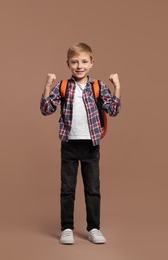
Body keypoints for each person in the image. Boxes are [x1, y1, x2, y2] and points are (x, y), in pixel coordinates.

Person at [40, 42, 122, 245]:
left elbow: (113, 110)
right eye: (74, 62)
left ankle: (94, 228)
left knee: (92, 189)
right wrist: (48, 86)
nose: (79, 66)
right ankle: (66, 228)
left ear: (92, 63)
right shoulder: (63, 86)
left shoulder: (98, 86)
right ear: (68, 63)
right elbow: (46, 109)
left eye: (84, 61)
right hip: (69, 144)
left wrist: (117, 87)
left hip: (91, 145)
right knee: (67, 189)